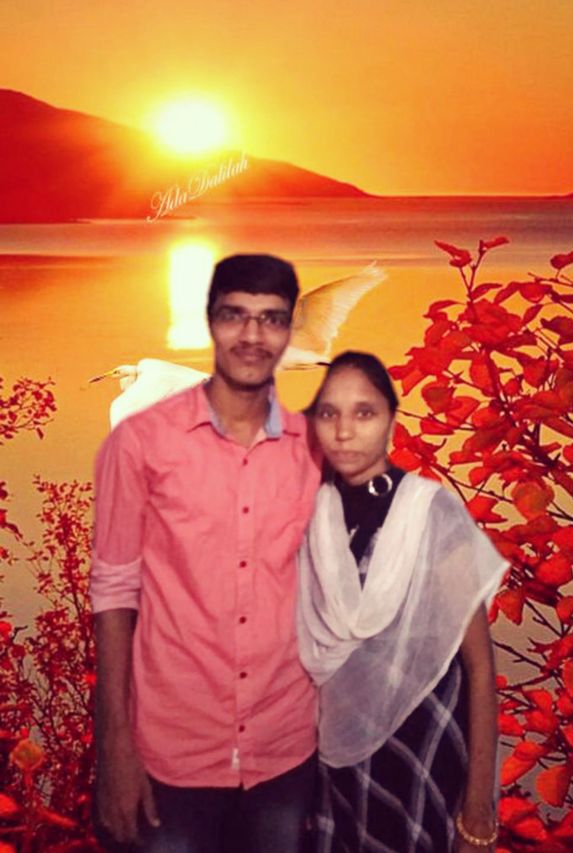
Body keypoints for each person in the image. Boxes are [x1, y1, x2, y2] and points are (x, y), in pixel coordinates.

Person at [90, 254, 322, 853]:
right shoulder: (137, 444)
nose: (253, 335)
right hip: (172, 758)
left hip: (285, 758)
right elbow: (114, 593)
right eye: (235, 316)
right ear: (212, 323)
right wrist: (114, 748)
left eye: (272, 319)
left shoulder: (313, 451)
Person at [297, 351, 508, 853]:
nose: (344, 431)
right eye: (329, 413)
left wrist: (479, 807)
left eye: (364, 412)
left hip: (423, 750)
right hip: (330, 762)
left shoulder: (429, 513)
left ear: (390, 420)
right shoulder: (309, 518)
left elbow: (480, 667)